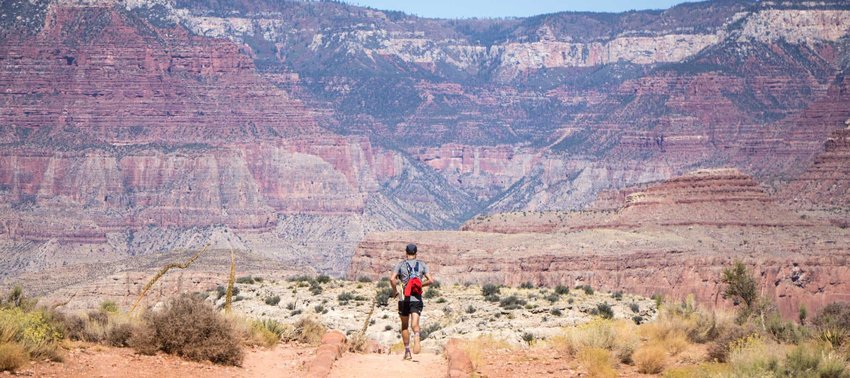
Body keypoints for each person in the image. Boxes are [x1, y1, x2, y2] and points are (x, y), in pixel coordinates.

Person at [389, 243, 433, 361]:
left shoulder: (400, 265)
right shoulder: (422, 264)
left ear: (406, 253)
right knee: (415, 324)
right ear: (416, 253)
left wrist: (395, 291)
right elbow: (431, 280)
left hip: (404, 299)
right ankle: (417, 336)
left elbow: (392, 279)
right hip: (417, 298)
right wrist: (419, 284)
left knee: (404, 325)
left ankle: (407, 351)